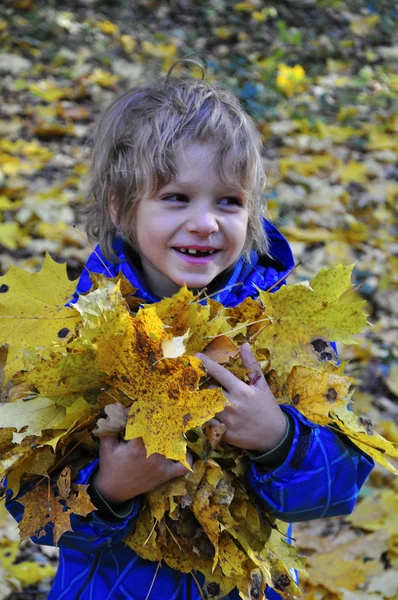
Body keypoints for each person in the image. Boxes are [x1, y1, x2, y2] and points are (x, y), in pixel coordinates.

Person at [6, 61, 373, 600]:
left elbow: (336, 490)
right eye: (176, 197)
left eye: (229, 201)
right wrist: (111, 488)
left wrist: (277, 437)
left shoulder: (279, 332)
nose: (206, 222)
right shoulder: (72, 339)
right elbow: (32, 509)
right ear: (121, 207)